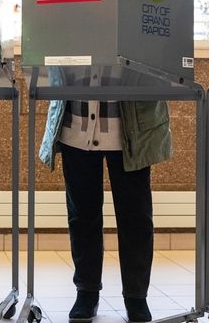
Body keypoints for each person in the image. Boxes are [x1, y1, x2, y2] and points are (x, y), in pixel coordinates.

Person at [39, 66, 172, 323]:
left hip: (132, 127)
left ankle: (136, 296)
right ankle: (86, 291)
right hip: (76, 125)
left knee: (136, 217)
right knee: (82, 215)